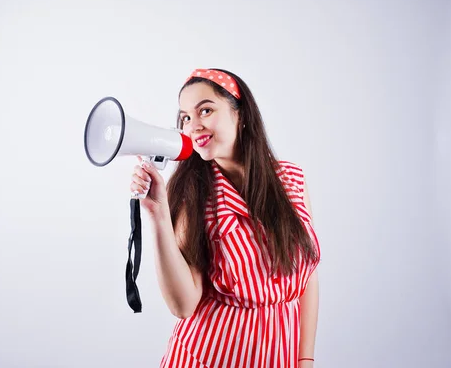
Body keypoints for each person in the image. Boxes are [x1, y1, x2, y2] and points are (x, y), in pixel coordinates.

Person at [130, 68, 321, 368]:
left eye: (205, 110)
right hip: (208, 357)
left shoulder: (292, 179)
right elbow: (183, 304)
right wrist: (158, 216)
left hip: (280, 358)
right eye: (185, 118)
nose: (194, 126)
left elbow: (306, 275)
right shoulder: (193, 195)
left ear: (240, 113)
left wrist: (305, 358)